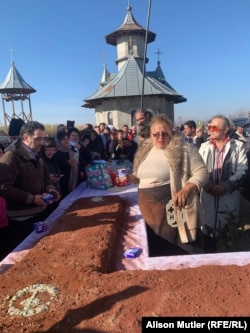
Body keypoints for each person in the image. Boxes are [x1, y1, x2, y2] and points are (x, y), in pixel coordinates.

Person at [130, 114, 209, 256]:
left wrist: (186, 189)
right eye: (156, 134)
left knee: (182, 248)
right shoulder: (145, 150)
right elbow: (141, 176)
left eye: (165, 133)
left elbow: (202, 172)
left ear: (171, 132)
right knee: (157, 248)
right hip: (149, 211)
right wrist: (132, 178)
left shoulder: (184, 149)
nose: (160, 137)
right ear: (150, 134)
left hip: (173, 207)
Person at [0, 121, 60, 260]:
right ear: (25, 137)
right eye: (38, 138)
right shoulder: (11, 157)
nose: (42, 142)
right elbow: (3, 187)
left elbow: (45, 176)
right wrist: (32, 198)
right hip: (21, 220)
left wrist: (50, 188)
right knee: (26, 259)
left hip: (39, 213)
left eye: (43, 138)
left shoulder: (37, 154)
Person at [199, 115, 248, 248]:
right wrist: (209, 187)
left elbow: (242, 170)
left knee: (227, 233)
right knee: (208, 234)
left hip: (229, 196)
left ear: (225, 129)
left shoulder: (238, 146)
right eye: (209, 127)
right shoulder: (204, 147)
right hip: (208, 196)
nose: (210, 130)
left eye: (214, 127)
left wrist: (225, 187)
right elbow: (198, 170)